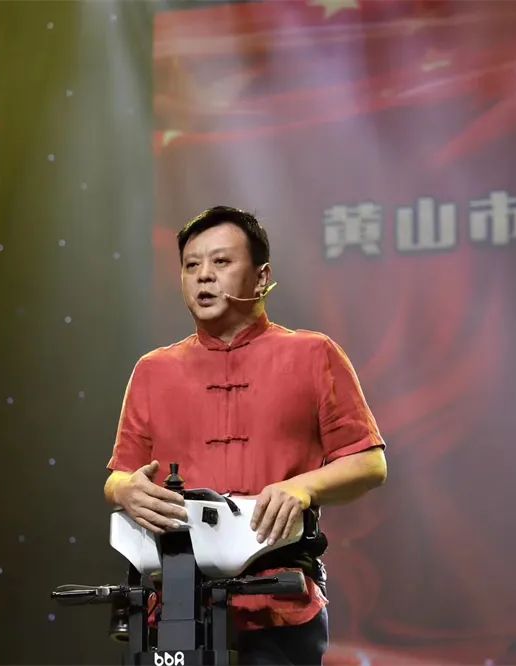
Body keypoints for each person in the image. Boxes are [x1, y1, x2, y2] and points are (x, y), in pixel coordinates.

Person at [103, 206, 387, 665]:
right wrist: (125, 490)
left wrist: (302, 487)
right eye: (191, 265)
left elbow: (369, 462)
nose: (203, 276)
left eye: (221, 262)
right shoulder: (153, 370)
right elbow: (119, 476)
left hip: (281, 599)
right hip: (178, 602)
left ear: (262, 277)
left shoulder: (313, 354)